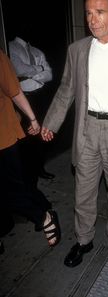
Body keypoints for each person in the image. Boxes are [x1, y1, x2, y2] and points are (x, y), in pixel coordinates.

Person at [41, 0, 108, 267]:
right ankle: (83, 240)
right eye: (88, 12)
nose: (92, 19)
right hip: (87, 129)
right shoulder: (78, 50)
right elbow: (66, 89)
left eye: (100, 12)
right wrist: (51, 122)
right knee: (83, 190)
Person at [0, 48, 61, 252]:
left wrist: (33, 120)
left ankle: (43, 216)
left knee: (13, 189)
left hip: (3, 134)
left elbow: (15, 90)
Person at [8, 36, 55, 180]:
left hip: (40, 96)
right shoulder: (11, 47)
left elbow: (49, 75)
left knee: (42, 133)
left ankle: (39, 168)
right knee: (26, 137)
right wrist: (39, 69)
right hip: (24, 98)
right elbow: (19, 70)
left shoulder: (36, 51)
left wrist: (32, 74)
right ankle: (28, 172)